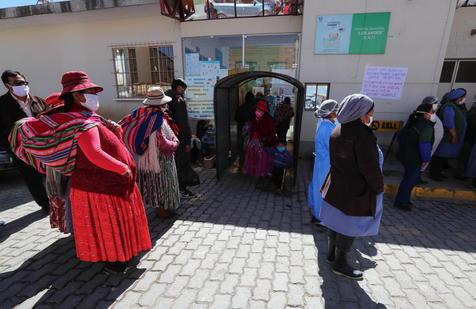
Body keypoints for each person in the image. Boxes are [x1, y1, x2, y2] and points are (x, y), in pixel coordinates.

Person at [10, 71, 152, 273]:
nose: (95, 95)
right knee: (110, 229)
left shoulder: (85, 117)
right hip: (102, 189)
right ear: (77, 96)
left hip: (102, 186)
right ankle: (116, 263)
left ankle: (120, 258)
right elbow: (94, 153)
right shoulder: (82, 123)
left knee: (111, 228)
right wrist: (123, 169)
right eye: (91, 91)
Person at [320, 94, 384, 280]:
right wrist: (378, 187)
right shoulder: (362, 136)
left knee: (336, 221)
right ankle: (340, 263)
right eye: (370, 112)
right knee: (349, 226)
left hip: (337, 186)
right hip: (356, 190)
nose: (371, 116)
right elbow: (369, 168)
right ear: (360, 113)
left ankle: (332, 253)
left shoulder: (338, 130)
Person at [120, 86, 180, 219]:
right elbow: (162, 143)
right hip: (158, 159)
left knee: (151, 183)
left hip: (144, 158)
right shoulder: (156, 120)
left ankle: (154, 207)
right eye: (164, 103)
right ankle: (163, 210)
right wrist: (175, 144)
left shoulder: (140, 113)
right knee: (162, 184)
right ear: (161, 104)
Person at [0, 70, 50, 212]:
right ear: (7, 85)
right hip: (22, 150)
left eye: (23, 82)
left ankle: (58, 201)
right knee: (32, 179)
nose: (22, 85)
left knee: (51, 175)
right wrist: (11, 146)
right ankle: (45, 205)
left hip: (45, 146)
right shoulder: (2, 105)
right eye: (17, 83)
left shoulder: (38, 101)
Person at [394, 103, 436, 211]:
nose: (433, 113)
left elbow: (400, 135)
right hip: (415, 157)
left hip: (405, 154)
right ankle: (401, 202)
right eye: (432, 111)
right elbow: (424, 145)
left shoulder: (412, 121)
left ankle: (405, 200)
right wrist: (426, 159)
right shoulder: (427, 126)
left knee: (409, 179)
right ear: (426, 114)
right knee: (409, 180)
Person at [166, 78, 199, 199]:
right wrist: (187, 141)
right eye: (183, 88)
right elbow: (183, 123)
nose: (184, 91)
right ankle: (181, 189)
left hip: (166, 138)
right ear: (178, 88)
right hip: (178, 138)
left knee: (171, 164)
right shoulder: (178, 101)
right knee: (181, 163)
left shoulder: (165, 99)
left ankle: (172, 188)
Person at [307, 99, 339, 223]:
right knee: (324, 189)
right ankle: (320, 216)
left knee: (317, 186)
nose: (337, 114)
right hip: (327, 164)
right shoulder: (328, 128)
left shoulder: (326, 124)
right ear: (330, 113)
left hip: (323, 162)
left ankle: (316, 211)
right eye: (336, 111)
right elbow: (334, 148)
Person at [429, 88, 467, 181]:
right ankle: (434, 174)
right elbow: (448, 123)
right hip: (448, 136)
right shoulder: (449, 107)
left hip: (451, 136)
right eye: (463, 98)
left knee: (444, 156)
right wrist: (454, 135)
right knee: (440, 155)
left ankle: (438, 172)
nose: (464, 99)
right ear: (458, 98)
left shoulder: (455, 106)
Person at [243, 100, 278, 186]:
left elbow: (272, 132)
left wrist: (265, 140)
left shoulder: (269, 119)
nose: (258, 112)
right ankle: (259, 175)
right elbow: (252, 130)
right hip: (254, 143)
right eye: (257, 110)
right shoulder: (254, 119)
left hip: (265, 144)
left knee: (265, 160)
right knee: (255, 160)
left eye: (260, 111)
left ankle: (265, 176)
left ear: (264, 111)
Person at [235, 92, 255, 168]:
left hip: (241, 131)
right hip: (252, 133)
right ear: (252, 99)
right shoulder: (254, 109)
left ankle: (241, 164)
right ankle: (250, 165)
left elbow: (236, 118)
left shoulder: (240, 108)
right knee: (251, 149)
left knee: (241, 149)